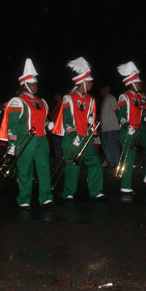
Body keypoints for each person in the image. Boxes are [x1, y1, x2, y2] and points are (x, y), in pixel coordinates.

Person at [0, 59, 54, 208]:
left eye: (36, 83)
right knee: (25, 171)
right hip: (25, 141)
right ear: (25, 85)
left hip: (41, 140)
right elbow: (12, 125)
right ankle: (24, 199)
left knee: (43, 169)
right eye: (33, 83)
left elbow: (43, 121)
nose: (36, 86)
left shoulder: (42, 102)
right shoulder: (17, 102)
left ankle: (46, 197)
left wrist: (49, 125)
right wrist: (11, 145)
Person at [55, 57, 105, 200]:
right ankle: (68, 193)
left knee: (95, 163)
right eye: (89, 81)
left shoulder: (91, 99)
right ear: (83, 82)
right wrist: (74, 135)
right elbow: (67, 119)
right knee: (72, 167)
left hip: (86, 140)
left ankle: (96, 191)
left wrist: (92, 123)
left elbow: (91, 118)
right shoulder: (68, 98)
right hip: (72, 140)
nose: (91, 84)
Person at [117, 62, 146, 192]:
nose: (141, 84)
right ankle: (125, 186)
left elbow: (142, 111)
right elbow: (121, 116)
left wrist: (145, 117)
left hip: (140, 129)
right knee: (129, 158)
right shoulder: (124, 97)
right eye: (138, 82)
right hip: (128, 130)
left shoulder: (141, 97)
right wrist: (127, 126)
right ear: (132, 83)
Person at [99, 84, 122, 168]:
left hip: (112, 127)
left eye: (102, 90)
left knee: (113, 146)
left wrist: (120, 123)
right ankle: (110, 163)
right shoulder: (105, 99)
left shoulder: (111, 98)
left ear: (106, 90)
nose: (100, 92)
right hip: (105, 128)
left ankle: (116, 163)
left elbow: (116, 111)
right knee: (106, 147)